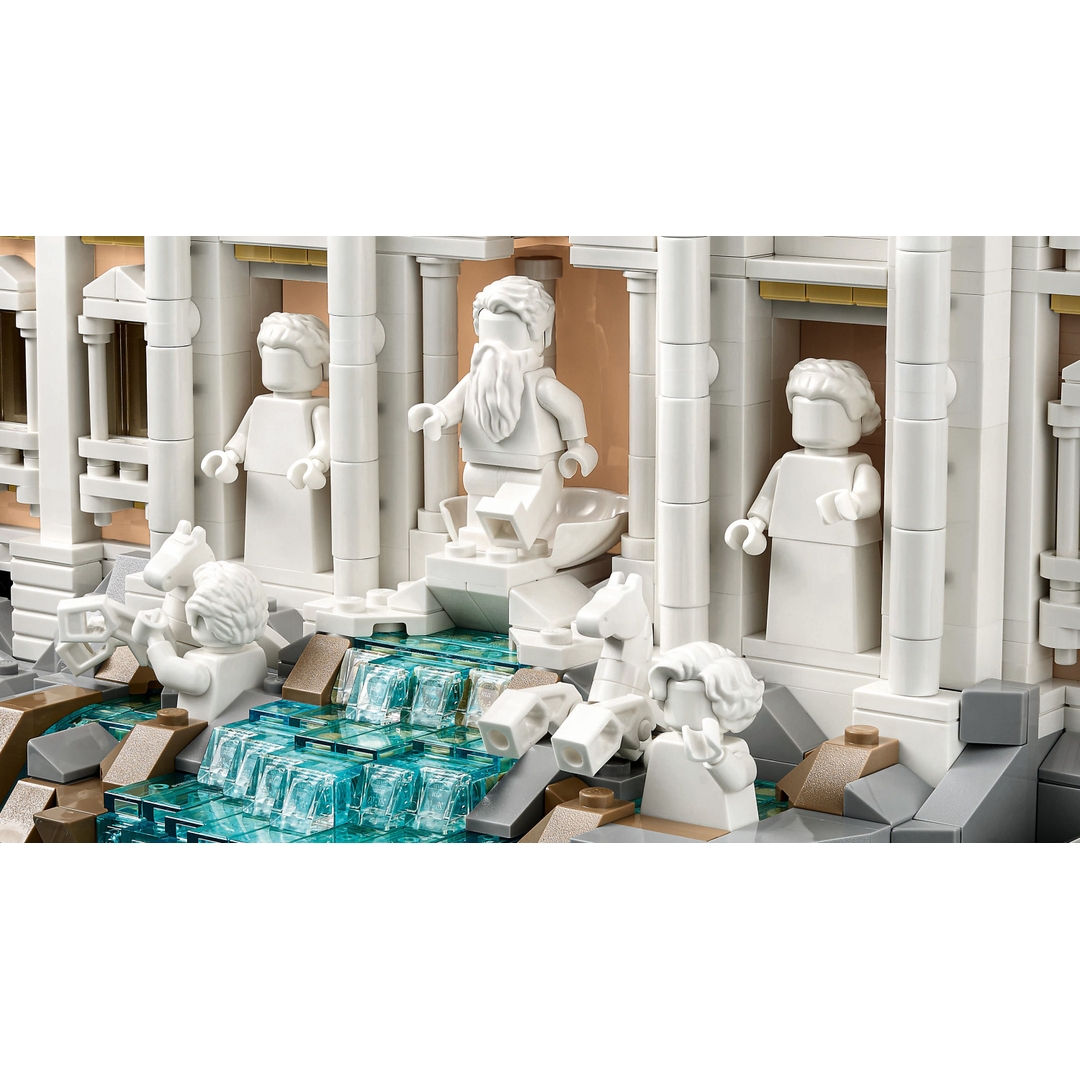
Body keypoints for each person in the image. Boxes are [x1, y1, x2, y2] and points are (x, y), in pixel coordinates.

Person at [409, 276, 598, 550]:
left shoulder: (541, 386)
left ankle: (511, 547)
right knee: (477, 525)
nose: (497, 350)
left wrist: (578, 447)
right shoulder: (476, 382)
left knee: (513, 521)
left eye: (507, 337)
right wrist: (437, 415)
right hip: (479, 467)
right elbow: (452, 404)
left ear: (544, 336)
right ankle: (479, 545)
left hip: (533, 472)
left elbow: (570, 407)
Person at [725, 357, 882, 655]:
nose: (815, 425)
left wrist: (853, 504)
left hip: (841, 551)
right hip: (791, 549)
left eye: (827, 414)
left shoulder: (858, 466)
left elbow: (869, 497)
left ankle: (834, 648)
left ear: (859, 419)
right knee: (791, 601)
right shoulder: (787, 464)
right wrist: (754, 525)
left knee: (841, 607)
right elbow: (767, 499)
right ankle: (790, 646)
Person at [201, 312, 332, 573]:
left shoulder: (318, 409)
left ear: (319, 365)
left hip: (299, 483)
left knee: (301, 537)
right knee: (263, 531)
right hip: (262, 480)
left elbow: (325, 443)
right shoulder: (260, 404)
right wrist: (230, 457)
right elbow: (243, 436)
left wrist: (314, 463)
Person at [640, 641, 764, 832]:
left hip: (722, 835)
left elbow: (740, 780)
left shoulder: (731, 750)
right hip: (657, 828)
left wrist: (718, 759)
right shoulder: (661, 745)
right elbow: (650, 766)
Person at [132, 559, 269, 723]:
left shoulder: (203, 668)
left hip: (199, 731)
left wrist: (153, 638)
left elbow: (167, 670)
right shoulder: (255, 653)